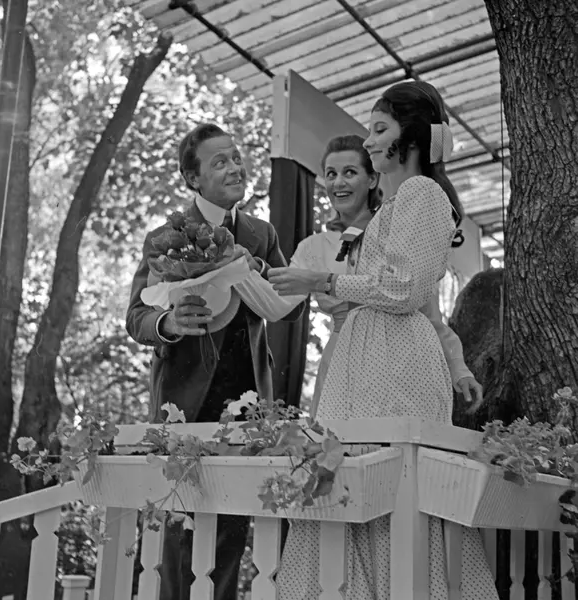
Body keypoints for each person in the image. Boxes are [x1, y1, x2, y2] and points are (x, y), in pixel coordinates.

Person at [269, 81, 498, 599]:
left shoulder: (420, 193)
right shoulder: (398, 204)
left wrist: (323, 281)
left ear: (410, 137)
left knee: (383, 485)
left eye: (379, 130)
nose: (369, 142)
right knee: (355, 482)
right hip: (371, 358)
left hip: (395, 361)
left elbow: (405, 290)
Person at [125, 123, 303, 600]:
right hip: (183, 403)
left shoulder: (262, 234)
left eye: (236, 157)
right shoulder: (164, 237)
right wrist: (169, 321)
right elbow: (136, 317)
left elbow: (291, 304)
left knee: (230, 533)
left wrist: (259, 267)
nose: (235, 167)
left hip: (247, 405)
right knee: (177, 533)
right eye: (219, 161)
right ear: (193, 178)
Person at [290, 134, 482, 418]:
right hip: (341, 357)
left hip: (393, 356)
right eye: (331, 174)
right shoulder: (314, 246)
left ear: (372, 179)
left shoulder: (396, 230)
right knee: (332, 440)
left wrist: (458, 366)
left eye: (349, 172)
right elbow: (277, 301)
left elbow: (427, 309)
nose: (338, 183)